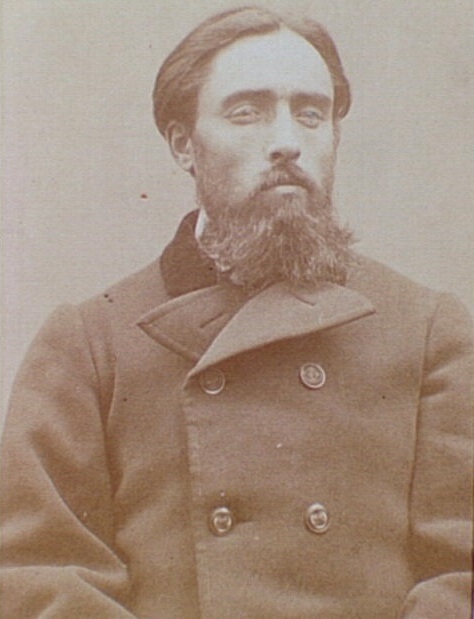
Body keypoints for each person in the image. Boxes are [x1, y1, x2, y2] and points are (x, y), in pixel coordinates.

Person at [1, 6, 472, 618]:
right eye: (247, 112)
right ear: (184, 146)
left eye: (311, 113)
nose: (287, 142)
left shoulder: (429, 331)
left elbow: (462, 572)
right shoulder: (88, 344)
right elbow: (40, 574)